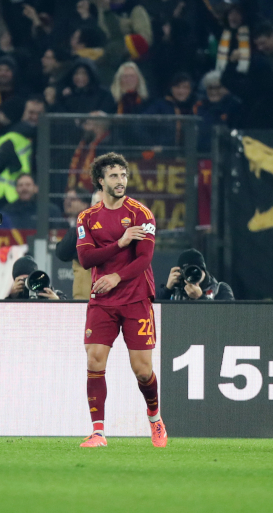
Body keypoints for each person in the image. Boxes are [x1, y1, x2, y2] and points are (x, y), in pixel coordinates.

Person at [75, 152, 165, 449]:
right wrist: (120, 242)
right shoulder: (87, 218)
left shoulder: (142, 214)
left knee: (142, 369)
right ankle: (98, 432)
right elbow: (86, 258)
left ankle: (154, 418)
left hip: (136, 297)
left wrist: (116, 277)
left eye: (124, 175)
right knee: (94, 359)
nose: (121, 181)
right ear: (100, 180)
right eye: (114, 175)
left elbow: (144, 260)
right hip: (102, 299)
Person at [161, 248, 234, 301]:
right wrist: (167, 290)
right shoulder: (176, 290)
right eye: (188, 272)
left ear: (204, 271)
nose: (192, 276)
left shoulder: (220, 289)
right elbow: (153, 313)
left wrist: (201, 297)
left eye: (195, 271)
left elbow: (228, 316)